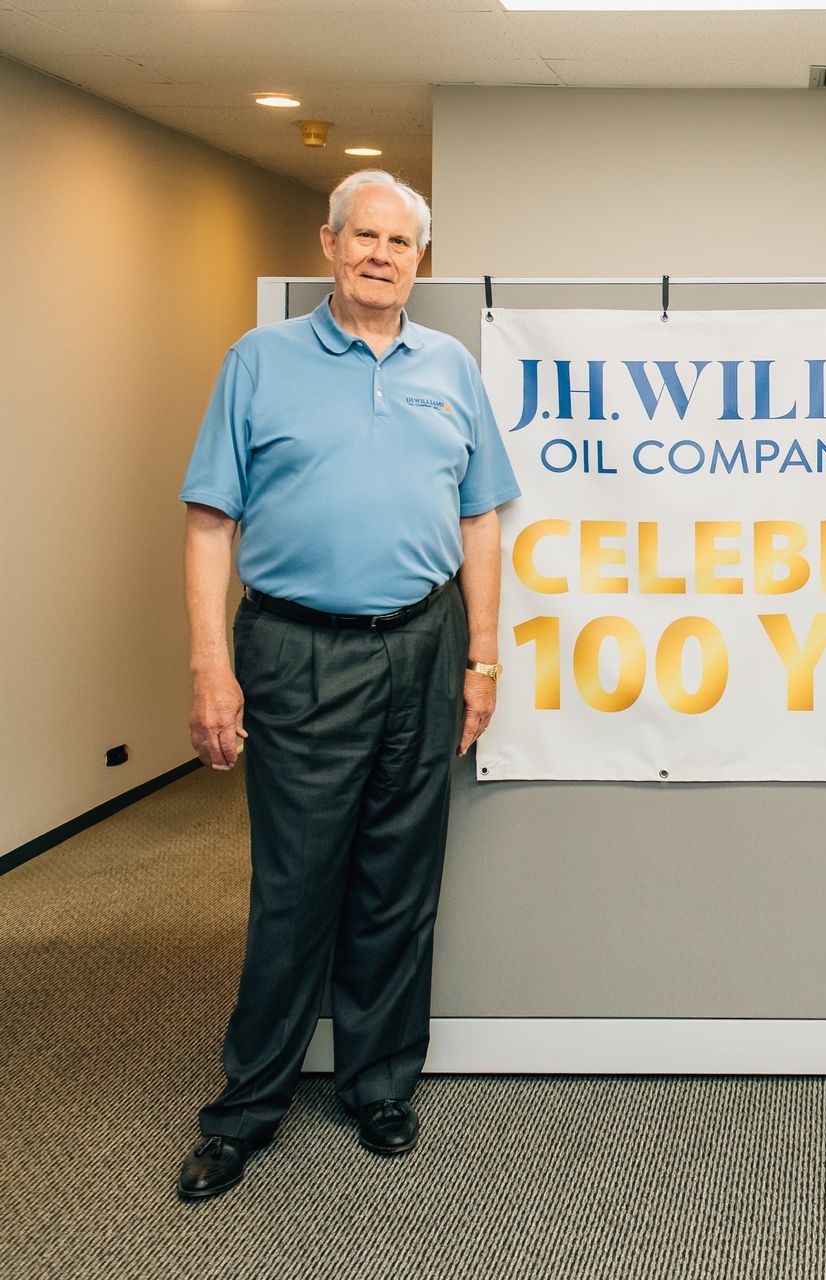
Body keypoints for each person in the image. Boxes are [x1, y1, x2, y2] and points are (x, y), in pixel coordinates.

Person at [174, 169, 519, 1200]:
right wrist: (210, 663)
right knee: (295, 887)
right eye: (362, 236)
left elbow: (480, 520)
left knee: (396, 882)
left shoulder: (450, 366)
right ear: (327, 245)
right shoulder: (260, 360)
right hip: (297, 649)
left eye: (400, 243)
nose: (380, 255)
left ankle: (377, 1083)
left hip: (423, 643)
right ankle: (246, 1107)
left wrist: (483, 657)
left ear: (421, 258)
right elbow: (209, 521)